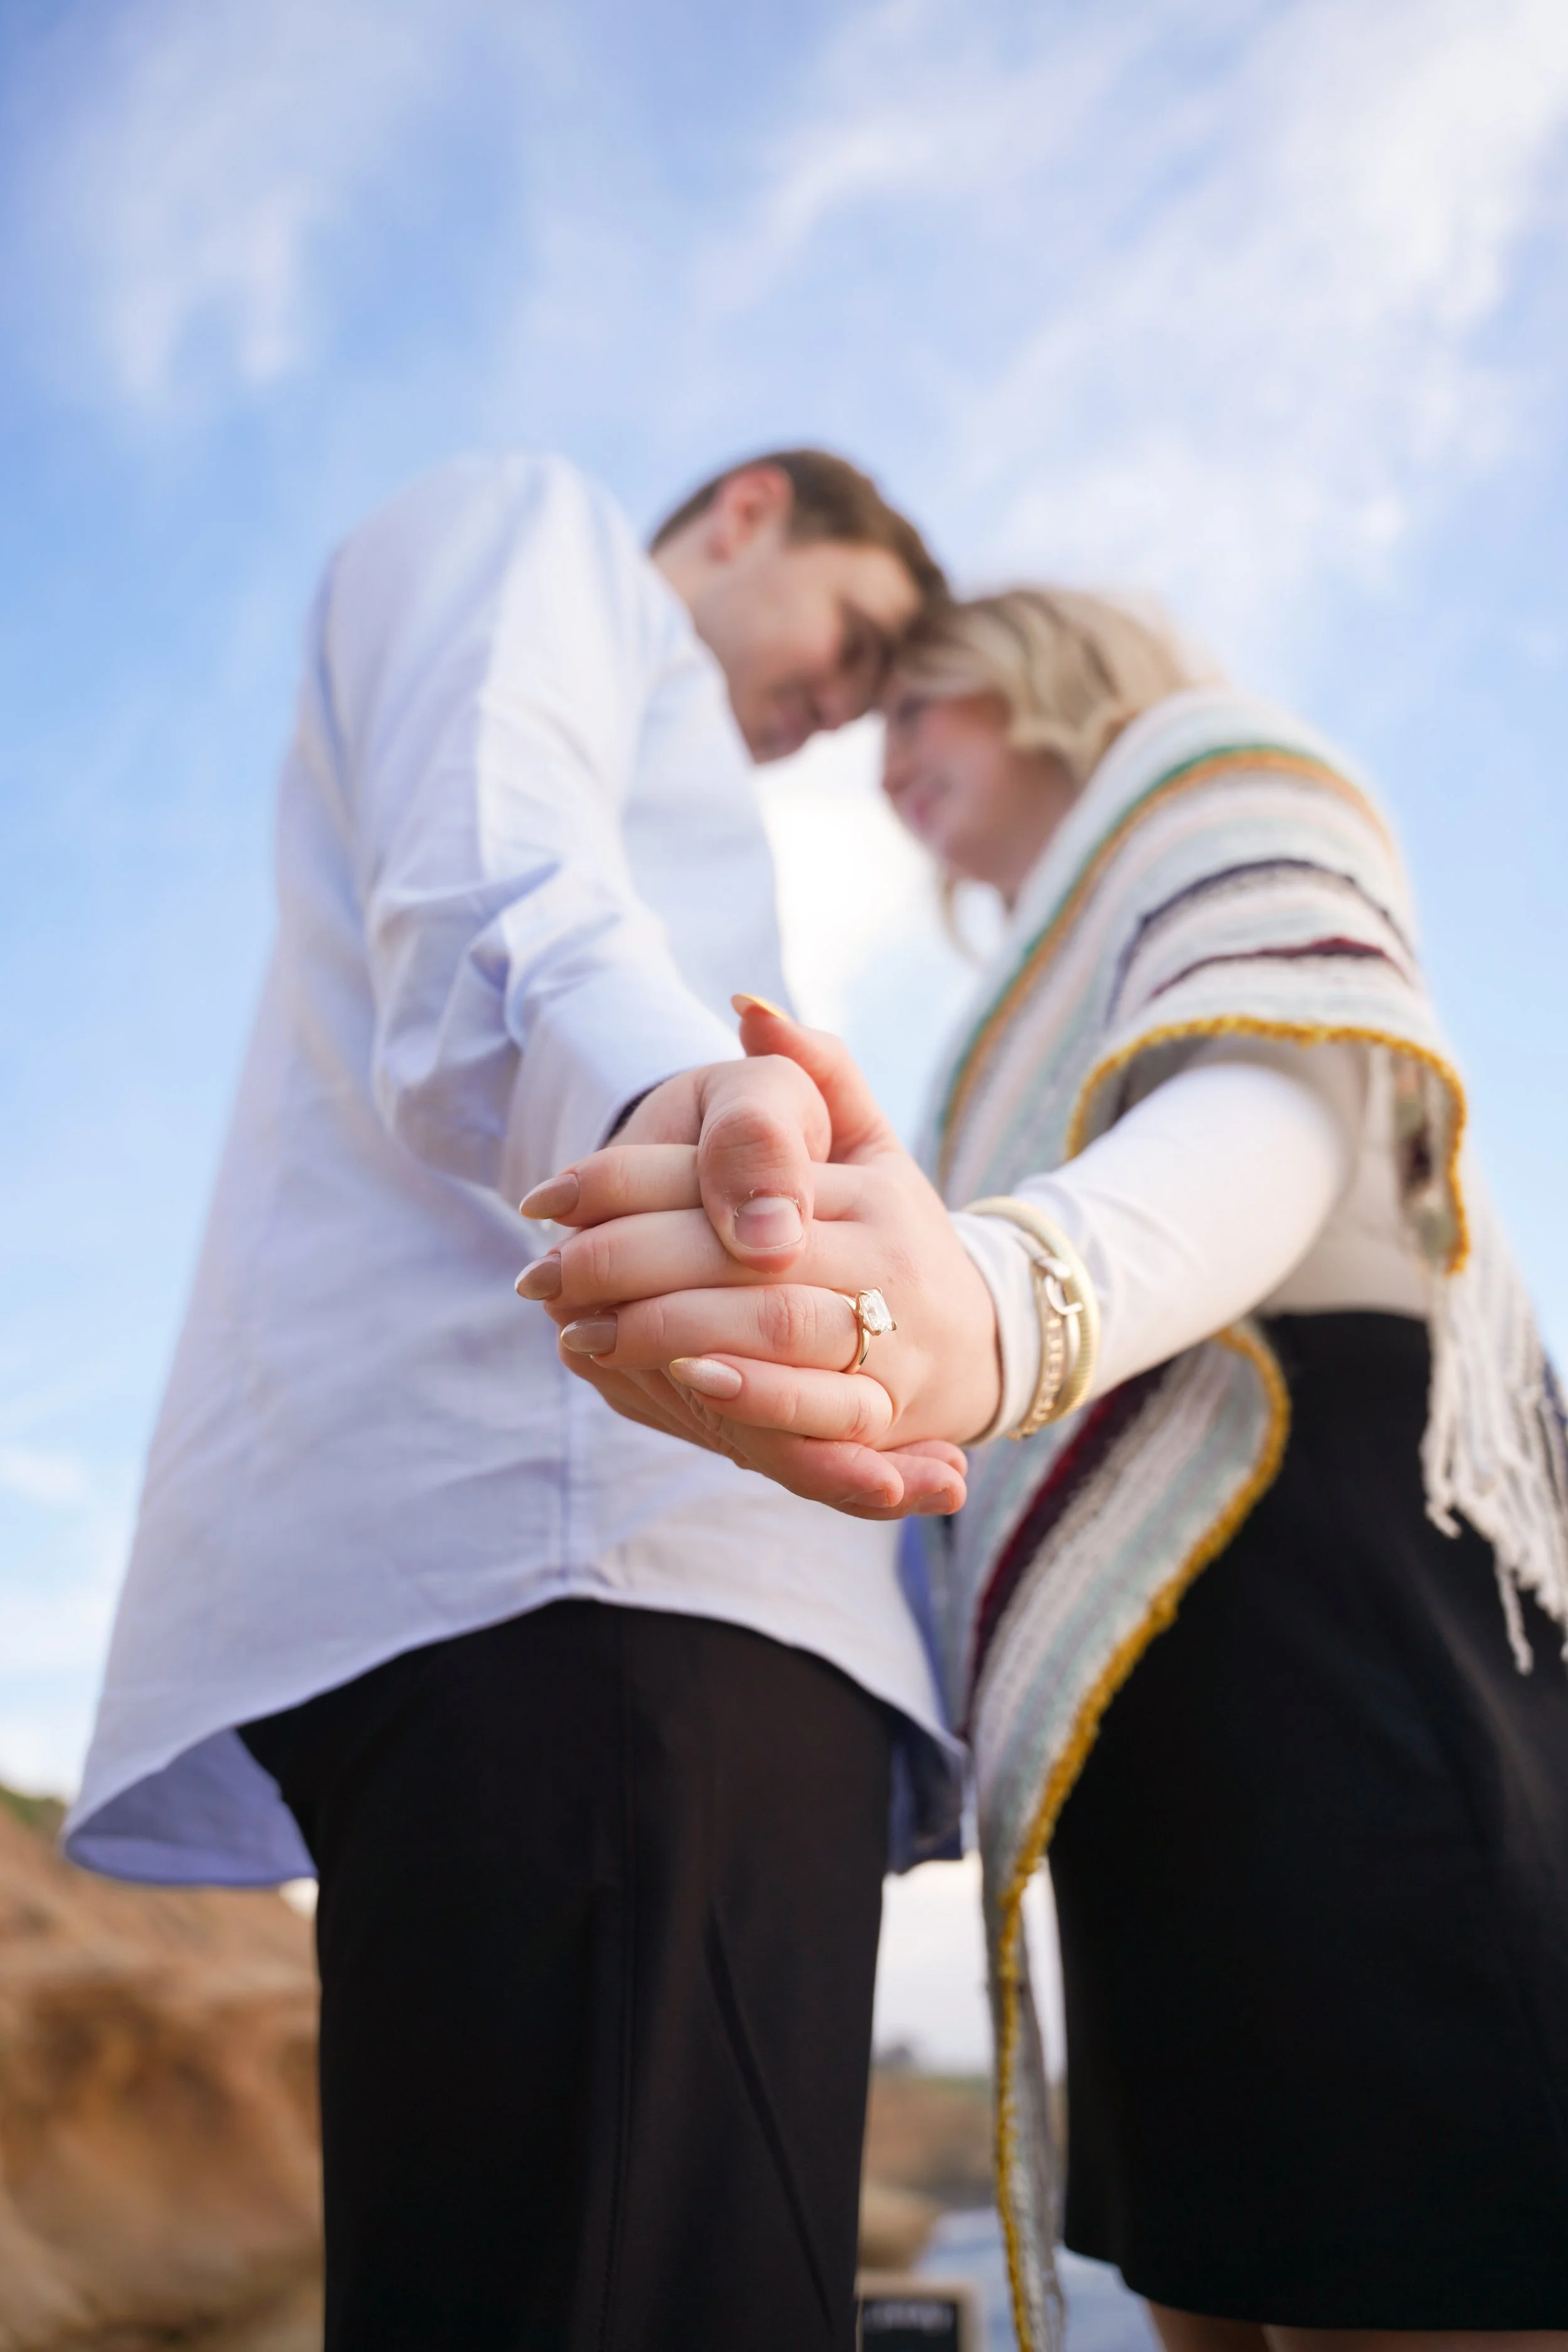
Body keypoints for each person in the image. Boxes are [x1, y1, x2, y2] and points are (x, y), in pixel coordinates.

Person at [531, 589, 1568, 2352]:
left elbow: (1283, 1088)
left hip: (1317, 1557)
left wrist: (999, 1305)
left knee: (1397, 2251)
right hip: (1141, 1663)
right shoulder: (1032, 961)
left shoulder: (1209, 769)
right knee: (1222, 2275)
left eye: (920, 705)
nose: (891, 759)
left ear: (1037, 676)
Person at [65, 445, 963, 2352]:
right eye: (852, 634)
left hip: (620, 1600)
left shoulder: (666, 733)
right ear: (751, 511)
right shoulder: (534, 527)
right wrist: (671, 1123)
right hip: (607, 1590)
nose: (831, 710)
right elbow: (494, 853)